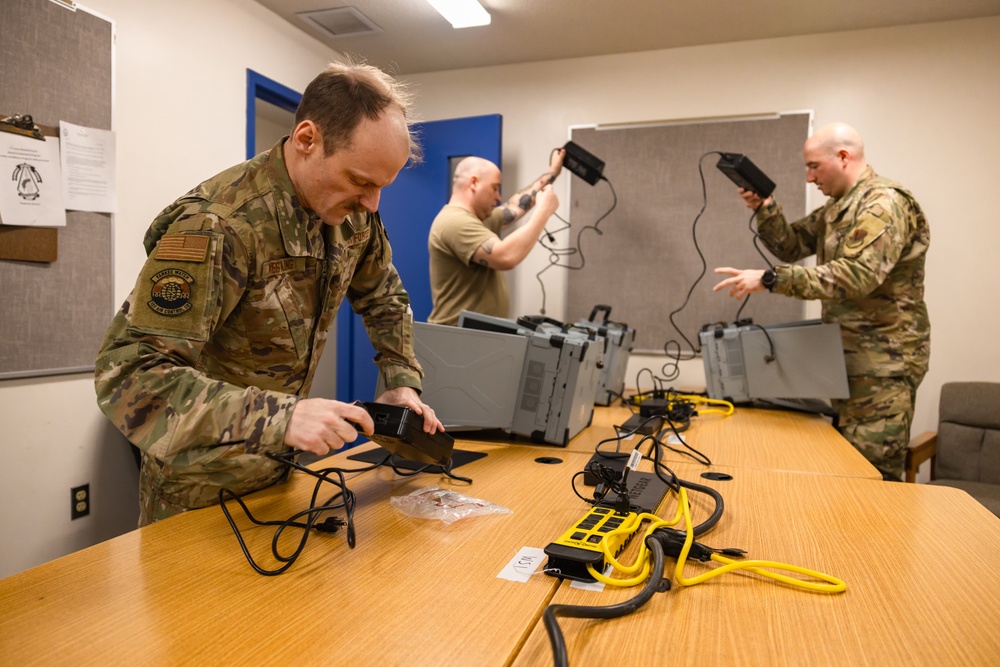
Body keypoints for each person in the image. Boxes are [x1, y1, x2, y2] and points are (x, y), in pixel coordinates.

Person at [95, 61, 444, 525]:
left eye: (382, 186)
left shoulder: (352, 214)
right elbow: (129, 376)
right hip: (197, 489)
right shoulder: (218, 226)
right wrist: (282, 418)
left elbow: (383, 294)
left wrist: (400, 382)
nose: (372, 202)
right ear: (306, 140)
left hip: (279, 475)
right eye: (361, 180)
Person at [712, 122, 930, 481]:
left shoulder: (882, 204)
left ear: (843, 157)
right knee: (846, 477)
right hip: (848, 361)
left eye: (814, 166)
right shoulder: (838, 208)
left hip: (883, 368)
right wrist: (765, 206)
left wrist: (770, 279)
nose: (810, 177)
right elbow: (792, 244)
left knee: (871, 483)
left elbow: (857, 275)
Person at [427, 149, 564, 326]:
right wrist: (543, 212)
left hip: (472, 338)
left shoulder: (477, 218)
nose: (498, 197)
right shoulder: (454, 221)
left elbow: (516, 206)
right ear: (474, 183)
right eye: (495, 187)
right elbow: (506, 256)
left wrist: (553, 171)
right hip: (457, 341)